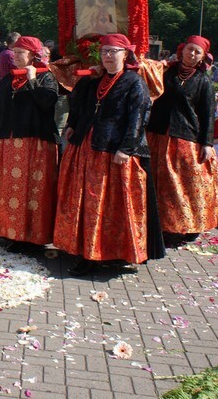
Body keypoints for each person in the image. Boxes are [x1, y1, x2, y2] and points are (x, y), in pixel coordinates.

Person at [53, 33, 165, 275]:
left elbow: (139, 118)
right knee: (85, 200)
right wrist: (73, 123)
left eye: (114, 52)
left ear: (126, 55)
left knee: (106, 204)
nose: (108, 56)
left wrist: (126, 148)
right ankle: (85, 250)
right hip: (87, 146)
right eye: (105, 52)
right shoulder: (96, 80)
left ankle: (103, 254)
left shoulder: (134, 82)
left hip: (113, 150)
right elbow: (79, 102)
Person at [0, 36, 59, 249]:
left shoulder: (46, 77)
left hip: (34, 144)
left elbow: (48, 103)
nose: (15, 56)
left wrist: (31, 81)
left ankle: (30, 236)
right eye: (14, 52)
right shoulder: (7, 79)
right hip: (6, 142)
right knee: (8, 191)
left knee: (31, 192)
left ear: (32, 55)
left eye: (21, 52)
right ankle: (8, 231)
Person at [145, 36, 218, 243]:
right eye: (189, 50)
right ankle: (158, 224)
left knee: (183, 184)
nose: (192, 54)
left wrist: (207, 143)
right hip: (157, 133)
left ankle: (184, 225)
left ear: (202, 57)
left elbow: (207, 114)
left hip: (185, 137)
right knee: (158, 182)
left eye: (197, 52)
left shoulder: (203, 81)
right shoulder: (165, 71)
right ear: (182, 50)